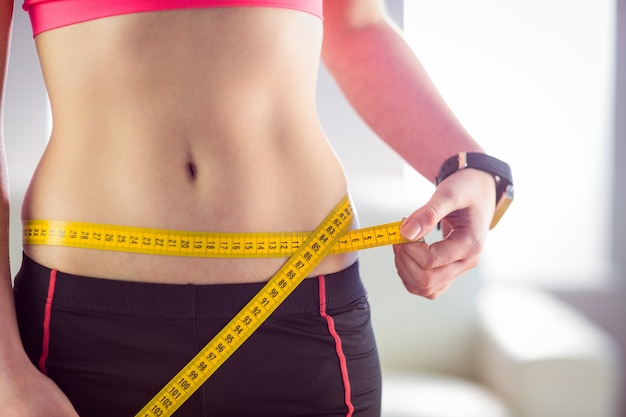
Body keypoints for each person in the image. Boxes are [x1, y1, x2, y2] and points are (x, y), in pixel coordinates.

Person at [0, 1, 509, 416]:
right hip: (82, 332)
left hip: (305, 316)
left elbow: (357, 25)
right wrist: (9, 380)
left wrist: (467, 163)